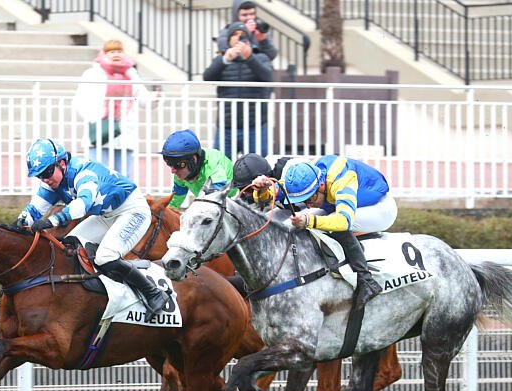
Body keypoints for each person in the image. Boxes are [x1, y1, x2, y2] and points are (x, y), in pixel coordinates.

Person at [13, 138, 170, 320]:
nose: (45, 179)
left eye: (47, 172)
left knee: (106, 257)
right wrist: (18, 223)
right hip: (106, 216)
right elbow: (34, 209)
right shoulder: (53, 181)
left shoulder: (82, 172)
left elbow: (82, 205)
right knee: (68, 248)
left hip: (133, 211)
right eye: (40, 176)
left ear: (62, 163)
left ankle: (153, 293)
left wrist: (52, 221)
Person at [252, 155, 398, 309]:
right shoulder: (303, 178)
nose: (308, 205)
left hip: (379, 208)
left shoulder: (342, 179)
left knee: (330, 223)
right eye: (304, 201)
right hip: (346, 204)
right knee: (294, 224)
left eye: (310, 199)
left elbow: (343, 221)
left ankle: (367, 281)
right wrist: (262, 190)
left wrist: (309, 221)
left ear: (321, 186)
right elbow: (268, 197)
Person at [74, 39, 161, 179]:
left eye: (119, 51)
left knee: (123, 175)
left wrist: (154, 98)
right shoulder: (92, 73)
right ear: (104, 54)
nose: (116, 54)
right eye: (111, 51)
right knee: (97, 173)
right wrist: (97, 117)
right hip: (100, 130)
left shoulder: (131, 73)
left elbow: (141, 97)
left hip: (124, 131)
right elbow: (80, 101)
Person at [203, 21, 273, 159]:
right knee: (221, 166)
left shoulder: (260, 57)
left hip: (254, 125)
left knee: (258, 167)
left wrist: (250, 58)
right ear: (229, 40)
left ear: (249, 40)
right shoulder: (222, 59)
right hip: (227, 126)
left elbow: (268, 77)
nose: (239, 38)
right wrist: (225, 59)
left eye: (243, 35)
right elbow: (208, 77)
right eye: (235, 34)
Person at [160, 129, 237, 208]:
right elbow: (175, 202)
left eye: (178, 164)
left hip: (236, 200)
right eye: (169, 164)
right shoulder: (180, 173)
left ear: (194, 159)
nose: (173, 171)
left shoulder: (213, 167)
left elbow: (215, 201)